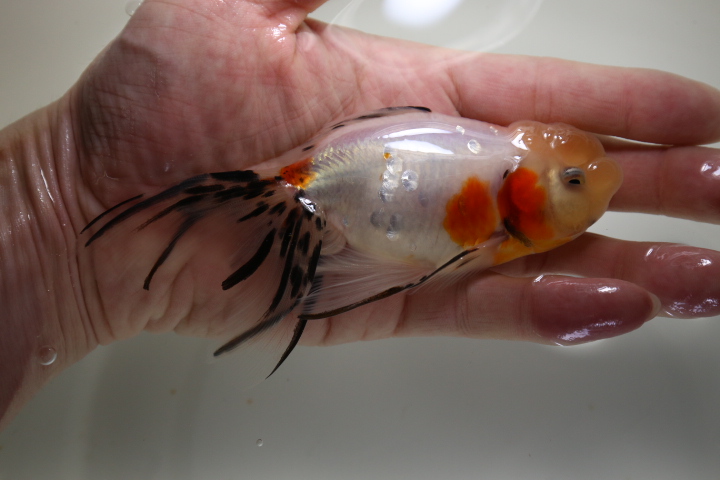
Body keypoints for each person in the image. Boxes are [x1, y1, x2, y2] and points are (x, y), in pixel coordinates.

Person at [1, 0, 719, 430]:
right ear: (527, 187)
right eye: (569, 182)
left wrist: (54, 200)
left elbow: (405, 268)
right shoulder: (492, 188)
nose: (582, 191)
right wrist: (63, 186)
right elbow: (409, 261)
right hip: (348, 182)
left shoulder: (500, 190)